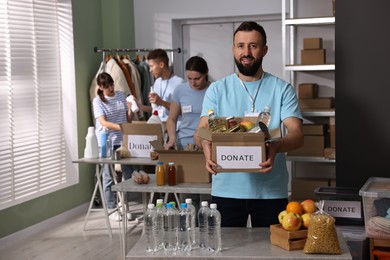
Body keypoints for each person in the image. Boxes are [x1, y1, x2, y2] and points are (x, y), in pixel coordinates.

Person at [194, 21, 304, 227]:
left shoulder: (282, 89)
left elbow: (297, 134)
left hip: (271, 192)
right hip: (226, 191)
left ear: (264, 50)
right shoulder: (217, 90)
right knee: (227, 252)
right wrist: (206, 146)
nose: (246, 52)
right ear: (233, 49)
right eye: (240, 46)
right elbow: (202, 131)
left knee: (273, 252)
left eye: (253, 46)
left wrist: (277, 146)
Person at [93, 72, 135, 221]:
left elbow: (128, 120)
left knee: (127, 173)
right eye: (107, 86)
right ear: (100, 87)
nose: (111, 88)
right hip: (106, 142)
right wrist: (121, 127)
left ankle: (124, 204)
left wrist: (130, 109)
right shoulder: (98, 101)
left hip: (122, 140)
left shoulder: (120, 96)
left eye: (112, 85)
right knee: (109, 175)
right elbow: (103, 122)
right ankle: (111, 208)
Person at [164, 56, 210, 150]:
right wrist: (172, 139)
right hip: (184, 143)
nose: (193, 82)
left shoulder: (214, 90)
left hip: (207, 144)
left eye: (197, 78)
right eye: (189, 78)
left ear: (206, 72)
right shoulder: (180, 90)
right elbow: (172, 119)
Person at [135, 48, 185, 122]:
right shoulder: (157, 82)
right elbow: (156, 109)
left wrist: (162, 102)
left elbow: (183, 111)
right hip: (158, 128)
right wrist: (140, 106)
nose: (150, 70)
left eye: (152, 66)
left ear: (161, 64)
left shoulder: (179, 83)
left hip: (174, 130)